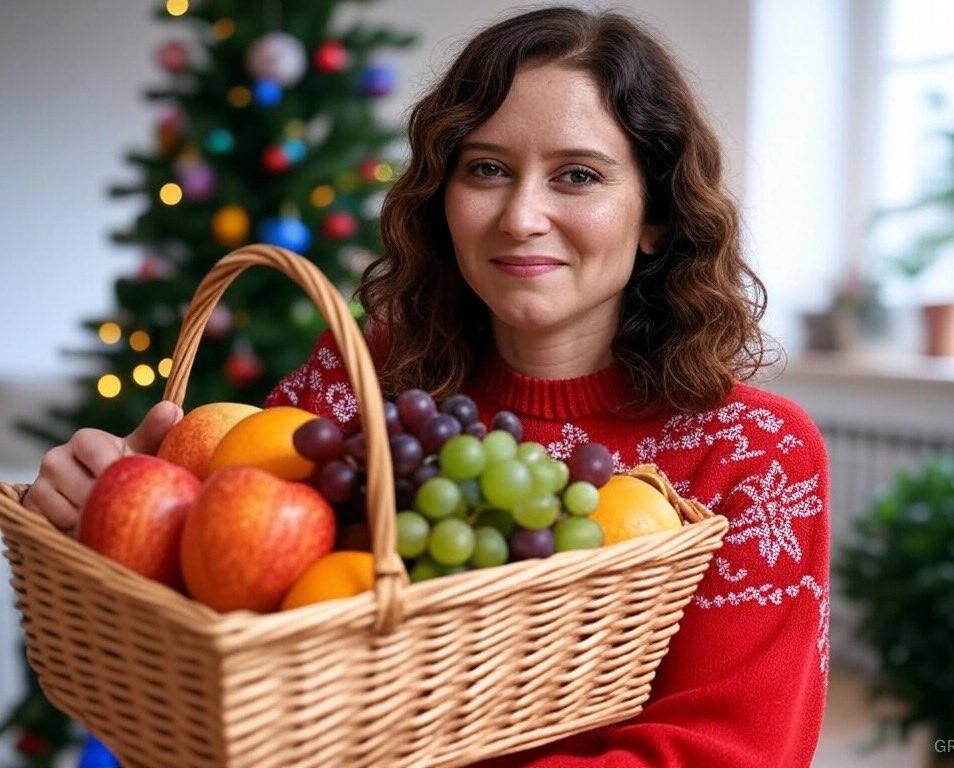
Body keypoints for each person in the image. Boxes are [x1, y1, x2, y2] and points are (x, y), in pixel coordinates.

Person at [24, 6, 830, 766]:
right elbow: (225, 651)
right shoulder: (360, 378)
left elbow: (726, 751)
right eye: (487, 168)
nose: (521, 216)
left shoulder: (756, 455)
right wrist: (119, 527)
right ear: (443, 197)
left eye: (578, 176)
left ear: (654, 214)